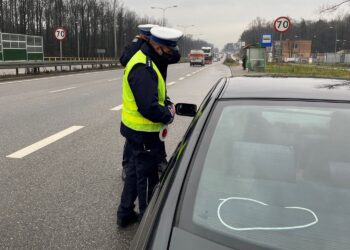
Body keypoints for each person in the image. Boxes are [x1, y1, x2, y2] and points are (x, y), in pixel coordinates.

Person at [117, 26, 183, 228]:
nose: (170, 55)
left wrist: (167, 101)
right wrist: (169, 114)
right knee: (146, 178)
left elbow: (155, 95)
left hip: (137, 132)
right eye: (167, 50)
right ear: (156, 45)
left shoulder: (150, 60)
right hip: (143, 133)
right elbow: (149, 108)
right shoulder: (143, 67)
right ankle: (148, 224)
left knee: (134, 174)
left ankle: (125, 213)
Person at [120, 24, 181, 181]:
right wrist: (138, 41)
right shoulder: (141, 51)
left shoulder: (162, 50)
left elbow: (176, 56)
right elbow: (124, 59)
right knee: (136, 137)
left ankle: (160, 160)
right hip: (143, 89)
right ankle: (128, 166)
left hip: (158, 88)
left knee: (156, 132)